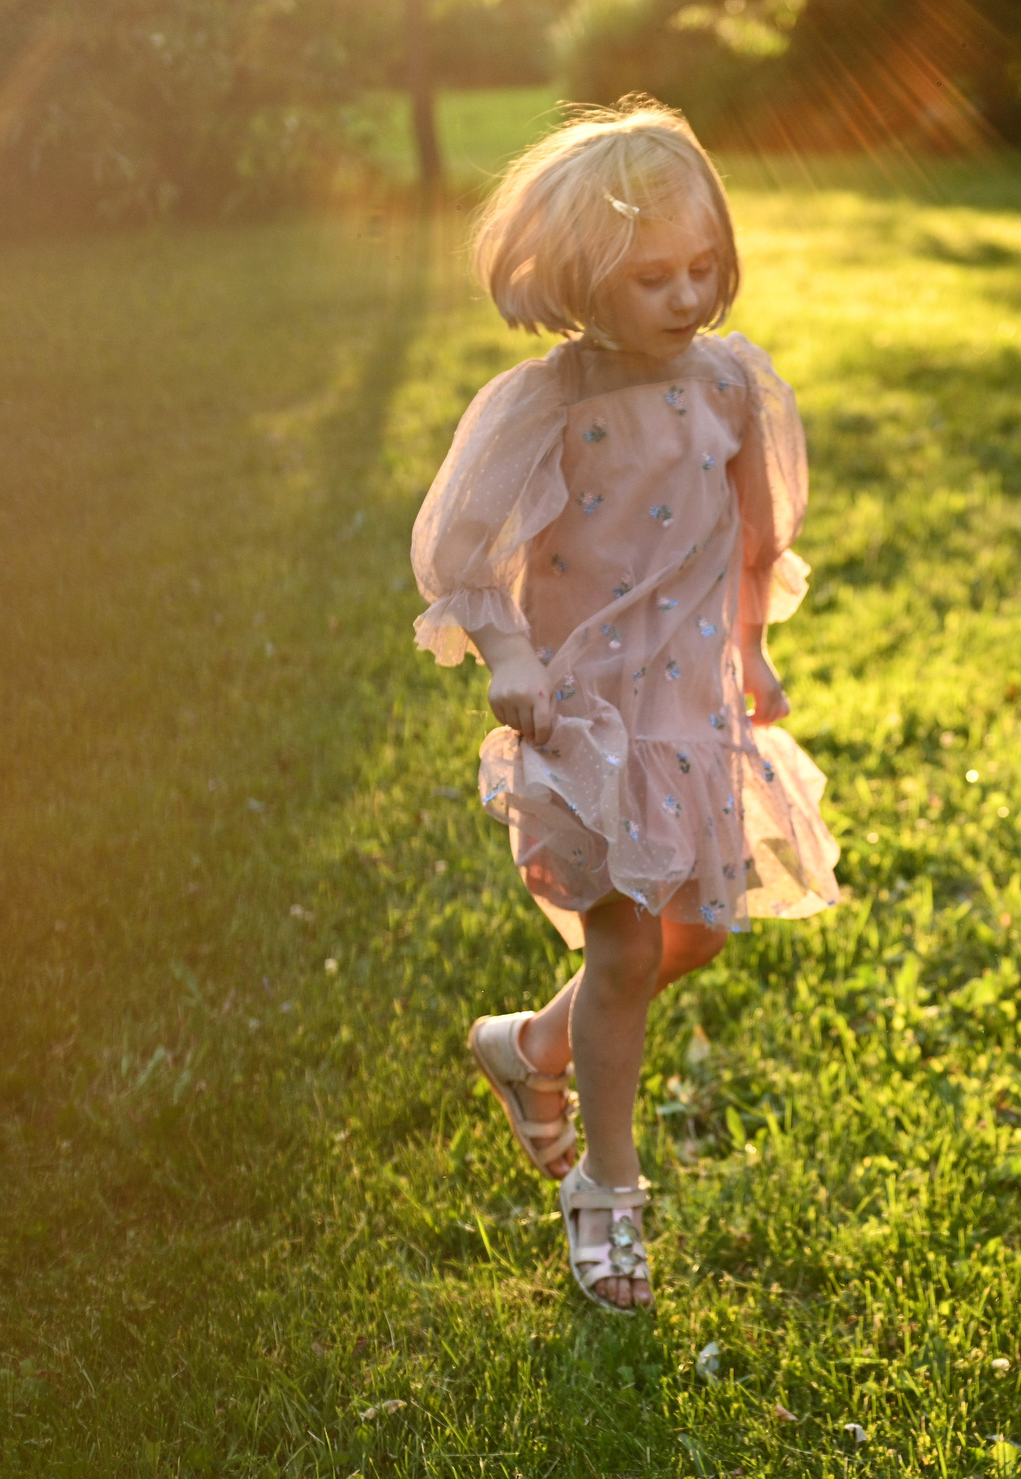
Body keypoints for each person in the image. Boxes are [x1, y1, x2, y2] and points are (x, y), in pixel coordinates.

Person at [409, 99, 840, 1315]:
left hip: (692, 709)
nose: (688, 295)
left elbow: (753, 537)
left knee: (697, 933)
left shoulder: (732, 382)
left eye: (704, 266)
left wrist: (751, 656)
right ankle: (607, 1195)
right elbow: (456, 549)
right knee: (629, 943)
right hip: (587, 721)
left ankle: (533, 1044)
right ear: (577, 279)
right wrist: (506, 653)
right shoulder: (543, 403)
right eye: (654, 276)